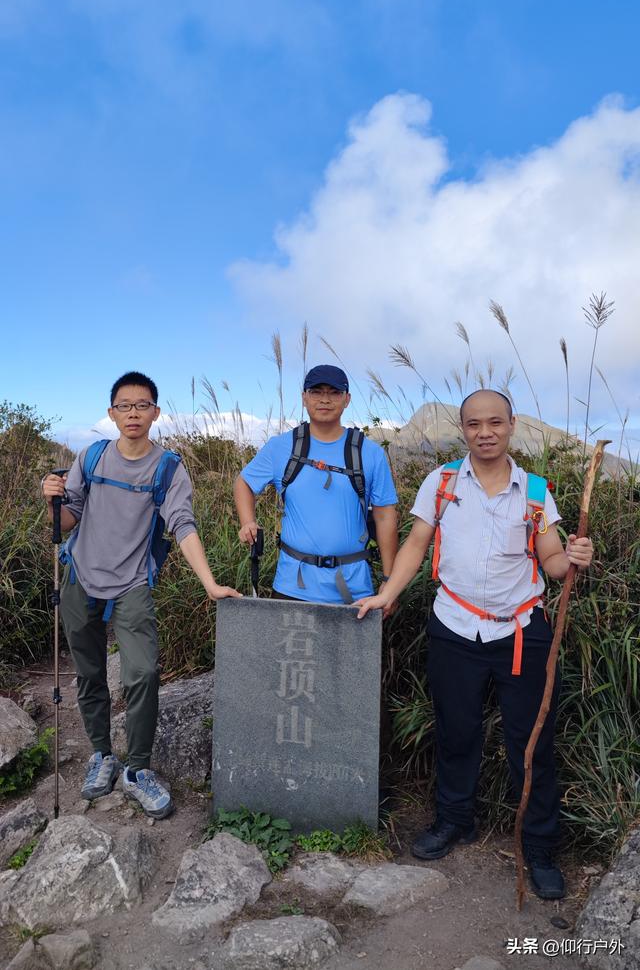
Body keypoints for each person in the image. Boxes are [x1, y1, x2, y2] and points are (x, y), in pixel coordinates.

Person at [356, 389, 593, 899]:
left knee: (530, 743)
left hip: (522, 632)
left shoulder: (533, 491)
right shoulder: (442, 483)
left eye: (495, 423)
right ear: (463, 429)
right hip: (455, 626)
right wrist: (386, 595)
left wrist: (572, 556)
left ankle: (540, 845)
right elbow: (416, 545)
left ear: (512, 426)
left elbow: (550, 560)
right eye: (473, 424)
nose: (485, 432)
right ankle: (454, 819)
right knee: (456, 731)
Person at [42, 371, 241, 818]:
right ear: (111, 412)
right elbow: (68, 519)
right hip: (79, 577)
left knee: (143, 673)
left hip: (132, 583)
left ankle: (137, 768)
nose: (133, 412)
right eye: (124, 405)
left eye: (142, 405)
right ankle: (101, 753)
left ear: (155, 412)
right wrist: (52, 497)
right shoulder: (91, 457)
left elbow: (183, 525)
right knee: (90, 672)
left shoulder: (167, 467)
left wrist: (209, 582)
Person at [233, 364, 398, 605]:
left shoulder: (369, 453)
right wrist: (248, 521)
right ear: (304, 398)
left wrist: (389, 580)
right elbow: (244, 483)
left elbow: (385, 518)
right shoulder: (280, 447)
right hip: (292, 586)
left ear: (347, 399)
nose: (325, 400)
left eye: (334, 392)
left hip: (353, 592)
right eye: (316, 392)